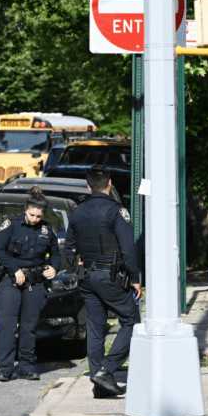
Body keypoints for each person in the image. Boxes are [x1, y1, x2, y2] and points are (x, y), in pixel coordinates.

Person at [65, 168, 143, 398]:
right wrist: (136, 279)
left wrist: (74, 270)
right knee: (131, 321)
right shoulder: (116, 211)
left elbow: (68, 248)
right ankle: (105, 371)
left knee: (95, 328)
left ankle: (99, 383)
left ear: (88, 186)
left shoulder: (77, 212)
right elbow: (129, 249)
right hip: (110, 276)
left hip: (87, 276)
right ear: (109, 183)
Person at [0, 188, 61, 382]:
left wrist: (54, 268)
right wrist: (14, 269)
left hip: (34, 281)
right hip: (10, 279)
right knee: (7, 325)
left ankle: (27, 366)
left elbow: (56, 253)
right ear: (25, 210)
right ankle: (5, 368)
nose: (35, 219)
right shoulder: (11, 225)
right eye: (32, 215)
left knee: (29, 326)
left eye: (39, 216)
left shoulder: (46, 230)